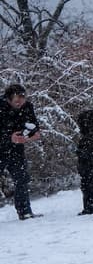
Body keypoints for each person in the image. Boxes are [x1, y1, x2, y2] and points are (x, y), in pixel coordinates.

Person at [1, 84, 42, 220]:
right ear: (8, 99)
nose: (19, 103)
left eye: (22, 100)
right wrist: (9, 137)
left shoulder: (27, 107)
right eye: (16, 101)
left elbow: (34, 125)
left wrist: (31, 136)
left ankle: (25, 211)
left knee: (22, 179)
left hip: (16, 150)